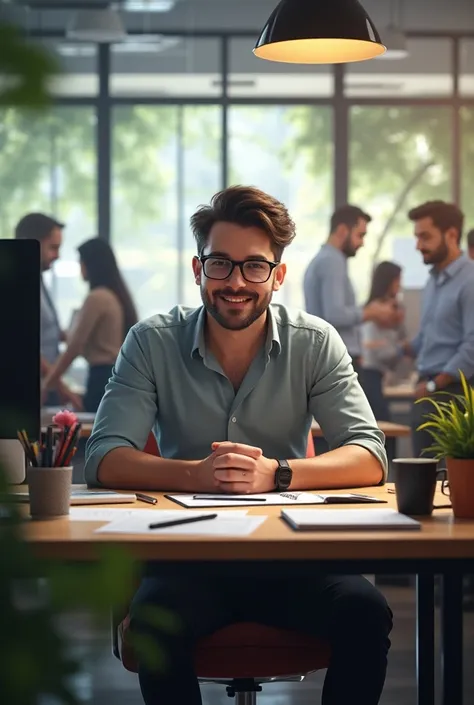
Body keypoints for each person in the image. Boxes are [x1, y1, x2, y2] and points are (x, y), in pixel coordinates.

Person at [85, 186, 392, 705]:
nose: (235, 283)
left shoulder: (315, 342)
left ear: (278, 275)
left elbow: (368, 453)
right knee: (157, 624)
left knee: (365, 612)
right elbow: (104, 458)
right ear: (197, 268)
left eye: (254, 267)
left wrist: (278, 473)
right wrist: (196, 475)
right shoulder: (150, 340)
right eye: (221, 265)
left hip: (297, 563)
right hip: (188, 563)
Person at [405, 201, 474, 457]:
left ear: (452, 234)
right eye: (417, 237)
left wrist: (435, 384)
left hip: (454, 397)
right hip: (428, 394)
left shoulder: (470, 280)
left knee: (448, 486)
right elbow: (427, 337)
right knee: (422, 482)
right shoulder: (433, 281)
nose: (418, 245)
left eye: (425, 237)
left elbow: (471, 346)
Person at [42, 238, 138, 412]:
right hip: (112, 375)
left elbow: (74, 347)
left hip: (100, 377)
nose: (80, 267)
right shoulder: (113, 296)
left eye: (81, 262)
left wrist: (48, 384)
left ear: (90, 264)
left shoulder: (97, 298)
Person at [304, 205, 399, 375]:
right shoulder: (332, 261)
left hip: (330, 357)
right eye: (360, 235)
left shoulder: (324, 260)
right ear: (342, 230)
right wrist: (371, 312)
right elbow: (335, 315)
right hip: (336, 359)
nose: (362, 243)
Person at [14, 212, 82, 409]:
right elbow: (24, 341)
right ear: (32, 244)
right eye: (53, 247)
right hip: (33, 384)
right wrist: (59, 384)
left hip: (46, 382)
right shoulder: (18, 283)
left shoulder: (38, 280)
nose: (58, 255)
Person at [360, 262, 407, 421]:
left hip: (380, 374)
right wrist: (400, 348)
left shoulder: (394, 308)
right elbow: (377, 348)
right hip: (371, 373)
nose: (400, 286)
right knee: (382, 423)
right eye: (398, 281)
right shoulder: (377, 309)